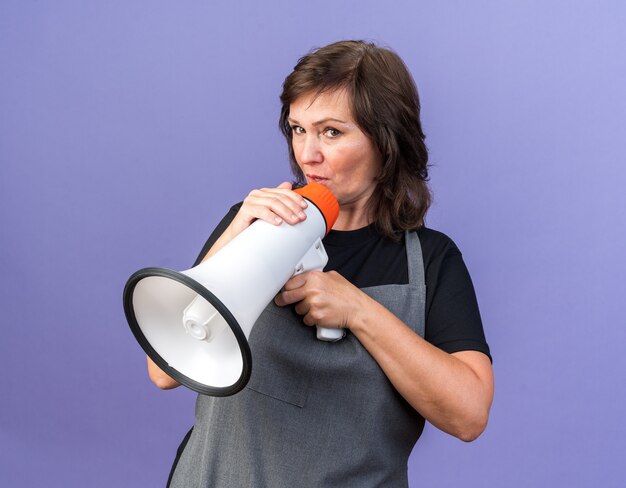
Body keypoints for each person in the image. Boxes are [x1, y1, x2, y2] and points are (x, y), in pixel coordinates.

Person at [148, 40, 494, 488]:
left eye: (331, 132)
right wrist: (237, 231)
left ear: (386, 141)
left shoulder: (430, 260)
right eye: (297, 129)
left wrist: (359, 311)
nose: (307, 154)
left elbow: (468, 414)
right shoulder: (253, 223)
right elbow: (163, 372)